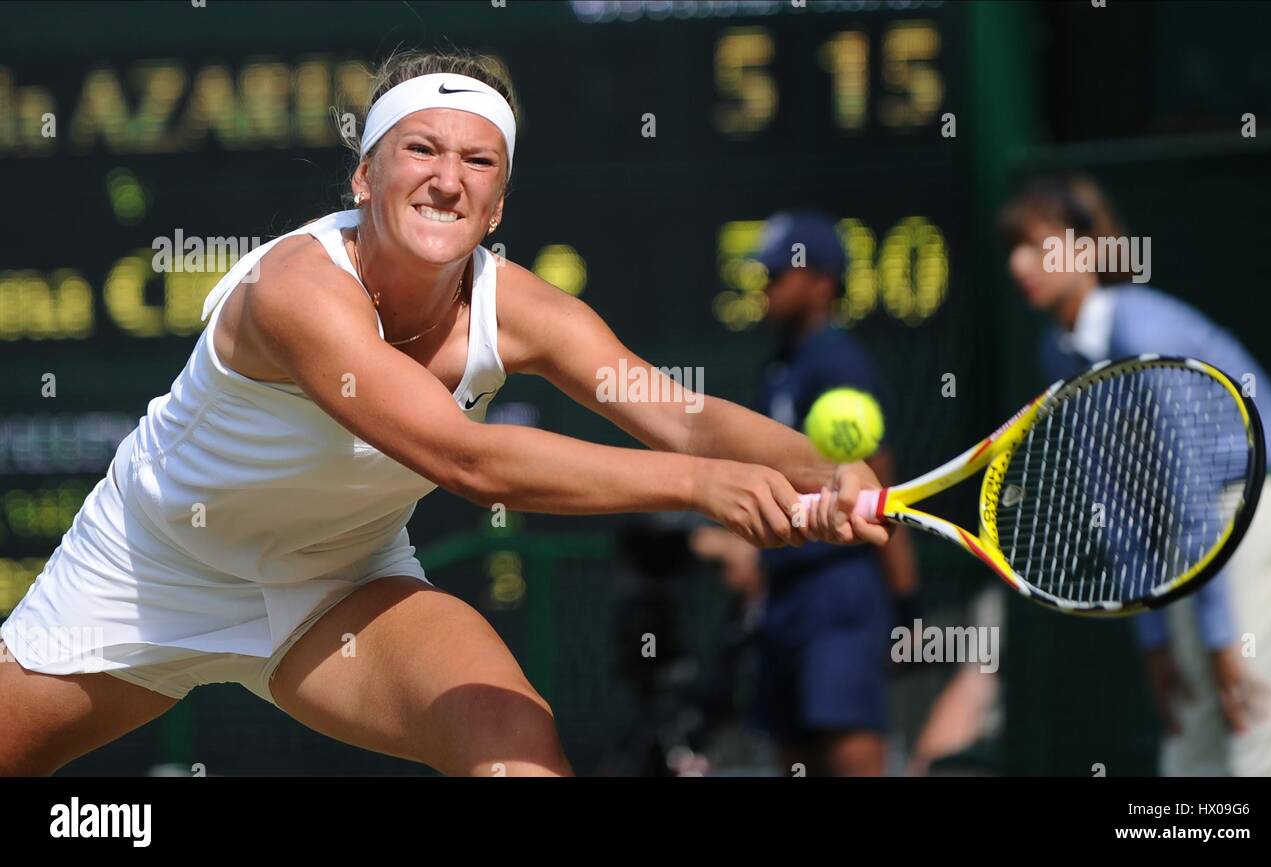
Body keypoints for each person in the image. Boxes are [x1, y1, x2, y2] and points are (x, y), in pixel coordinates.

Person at [0, 50, 892, 777]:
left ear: (498, 203)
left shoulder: (527, 309)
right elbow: (470, 461)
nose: (447, 179)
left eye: (478, 161)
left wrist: (821, 467)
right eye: (421, 149)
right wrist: (710, 489)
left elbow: (684, 415)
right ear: (365, 175)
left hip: (340, 587)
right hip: (149, 574)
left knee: (516, 752)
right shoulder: (296, 289)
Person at [1000, 173, 1271, 775]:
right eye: (1012, 246)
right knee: (1191, 745)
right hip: (1193, 536)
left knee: (1255, 736)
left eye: (1036, 244)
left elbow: (1187, 486)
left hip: (1258, 511)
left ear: (1085, 248)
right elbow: (1119, 503)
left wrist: (1218, 640)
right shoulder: (1058, 352)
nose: (1017, 263)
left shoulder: (1145, 331)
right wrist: (1155, 638)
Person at [696, 211, 919, 776]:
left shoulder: (838, 364)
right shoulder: (780, 368)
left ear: (821, 282)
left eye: (777, 275)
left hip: (837, 590)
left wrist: (906, 597)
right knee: (790, 750)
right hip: (785, 593)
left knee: (847, 745)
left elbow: (879, 483)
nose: (765, 287)